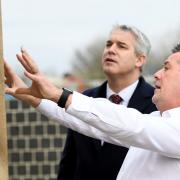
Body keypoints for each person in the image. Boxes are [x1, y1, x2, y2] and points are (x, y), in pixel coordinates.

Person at [4, 43, 180, 180]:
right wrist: (36, 99)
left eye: (166, 67)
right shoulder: (158, 120)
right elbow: (93, 125)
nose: (157, 74)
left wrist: (59, 94)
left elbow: (130, 123)